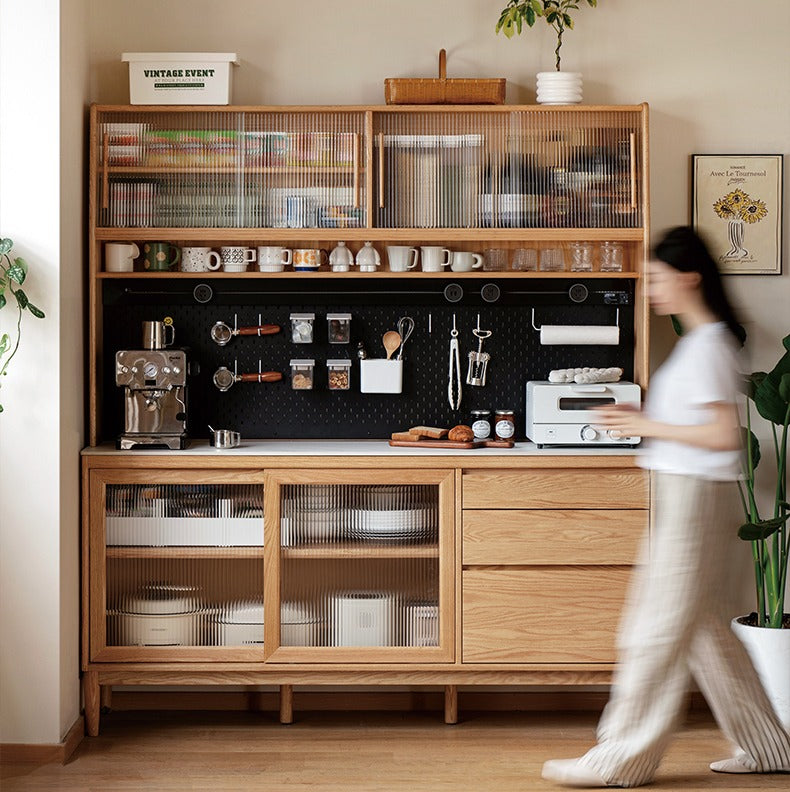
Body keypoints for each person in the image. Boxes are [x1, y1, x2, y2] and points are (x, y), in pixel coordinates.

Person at [541, 226, 790, 788]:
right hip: (686, 496)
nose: (650, 288)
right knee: (708, 637)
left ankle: (621, 757)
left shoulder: (706, 347)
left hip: (694, 500)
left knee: (653, 632)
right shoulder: (703, 344)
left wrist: (643, 422)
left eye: (656, 278)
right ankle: (770, 747)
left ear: (689, 278)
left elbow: (724, 437)